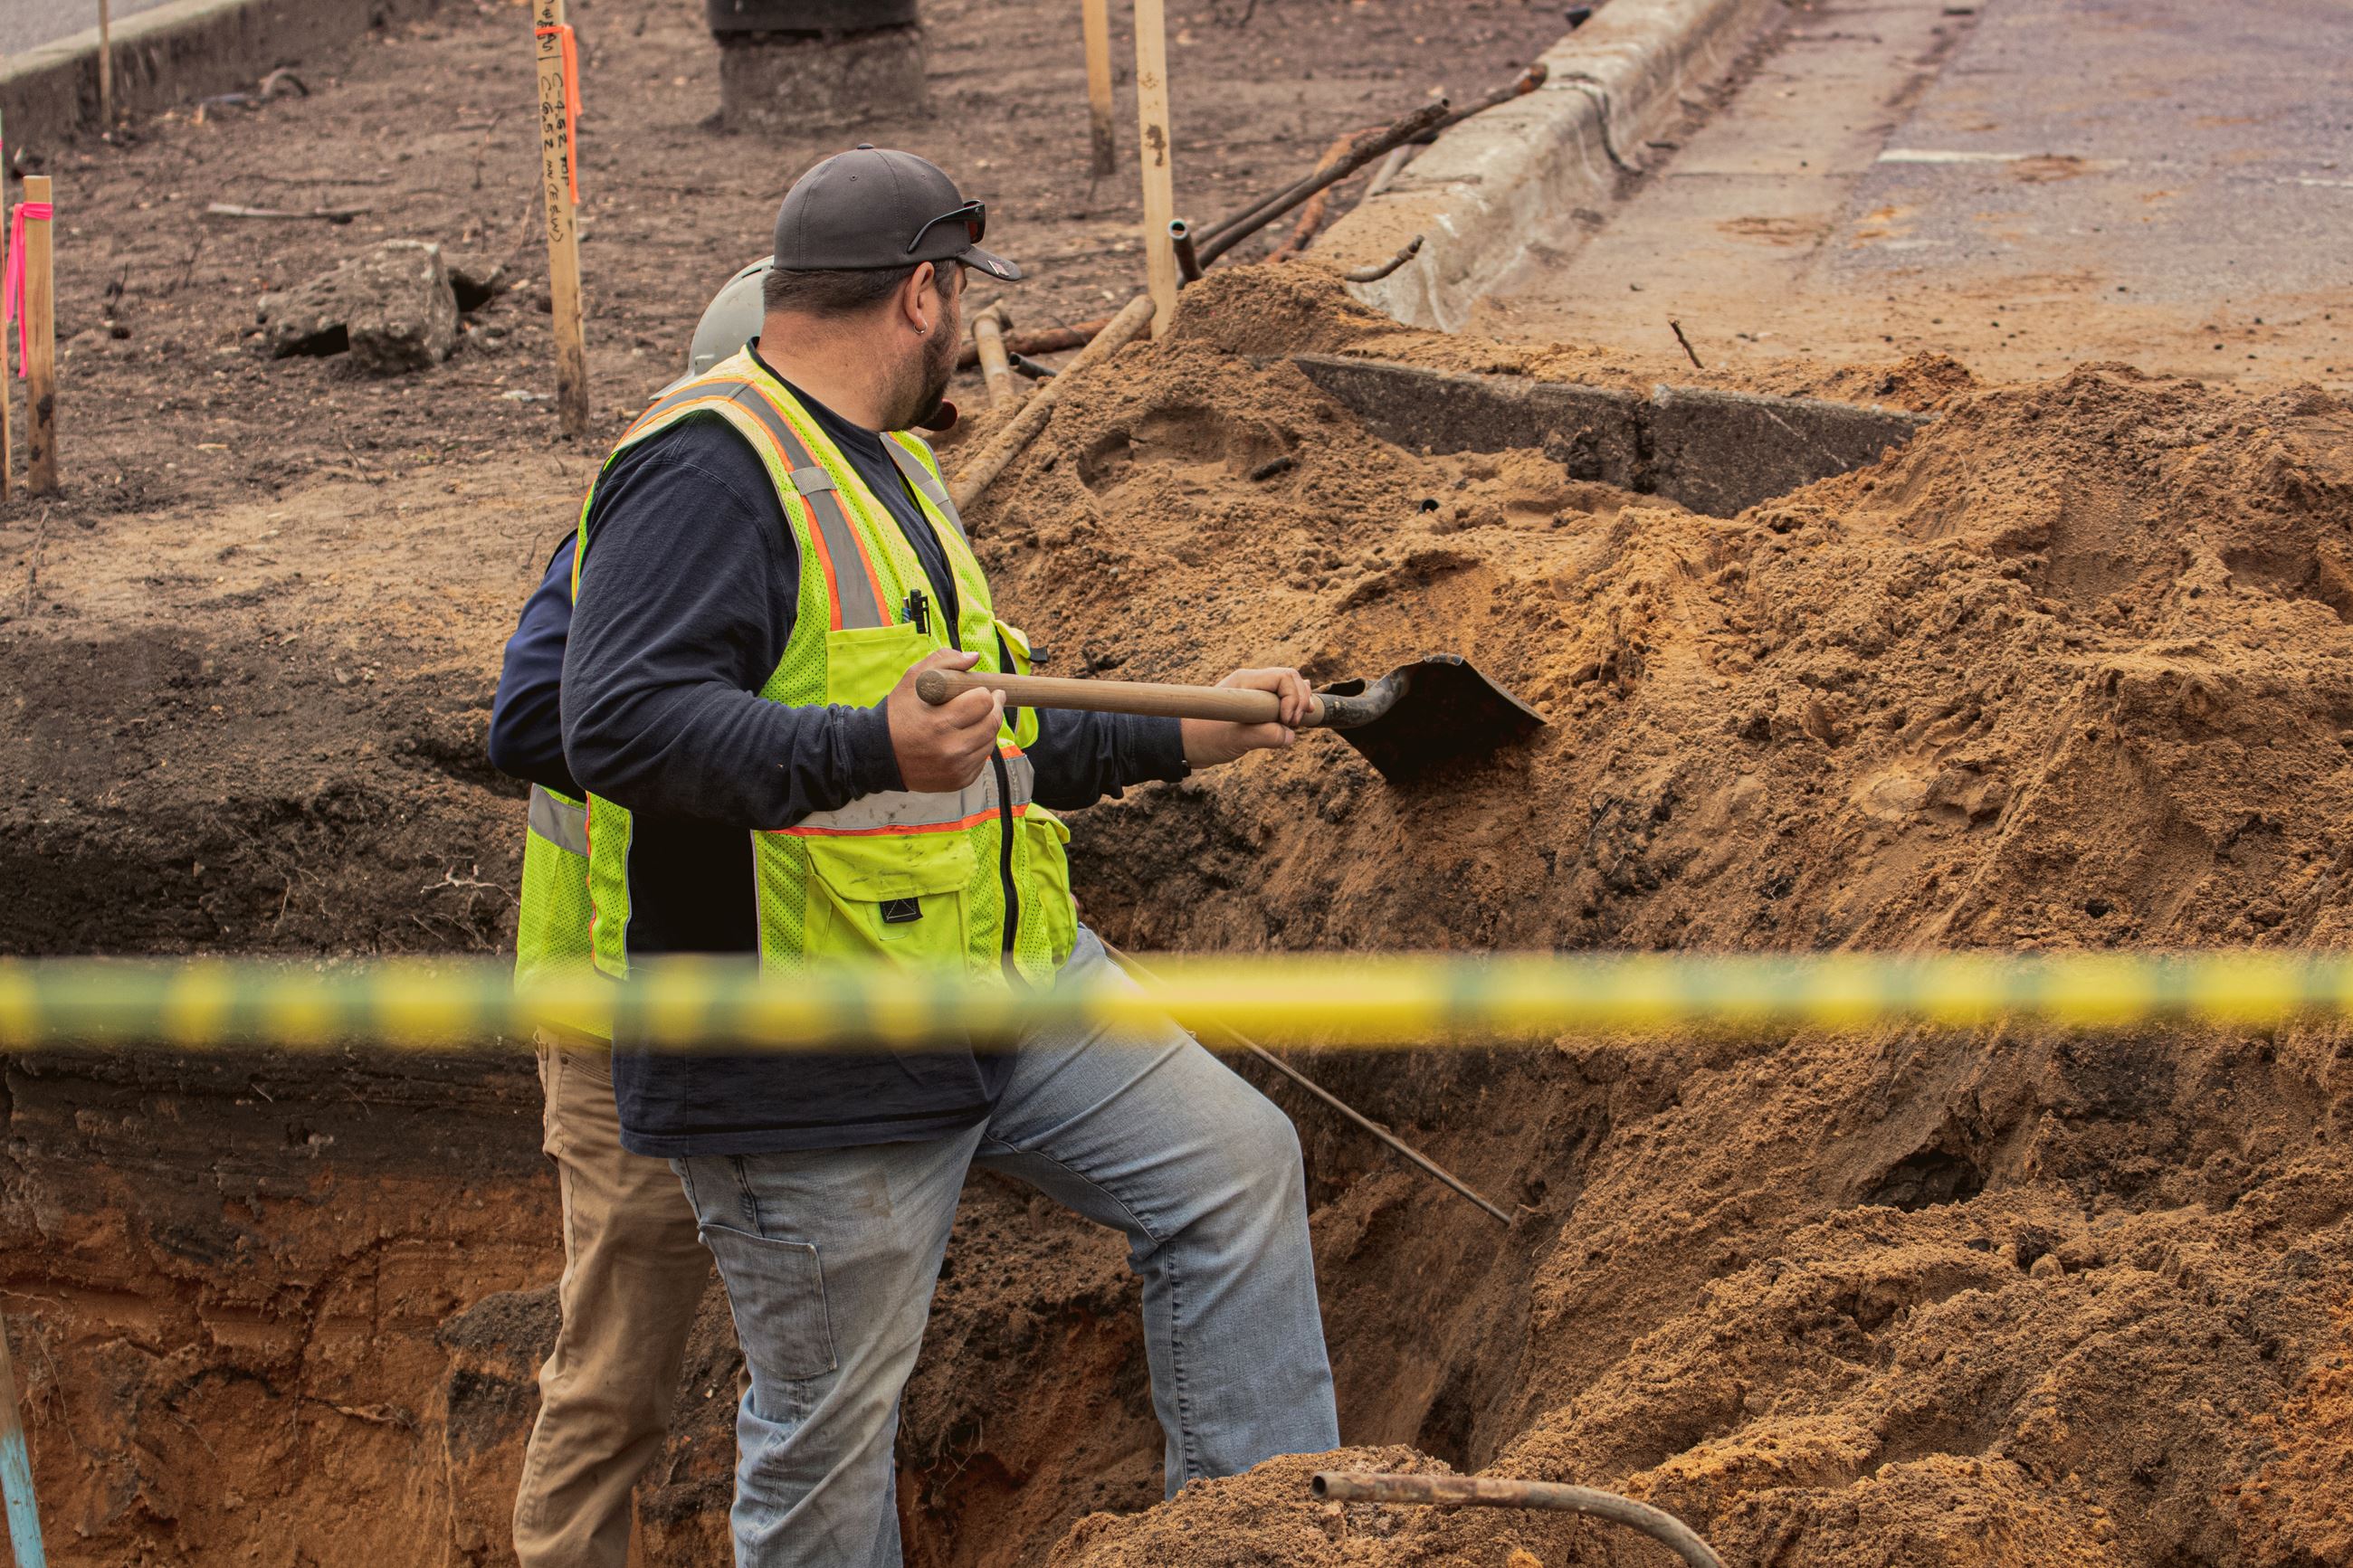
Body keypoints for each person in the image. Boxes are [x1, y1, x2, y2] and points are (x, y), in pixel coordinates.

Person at [548, 146, 1339, 1566]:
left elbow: (983, 733)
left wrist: (1195, 731)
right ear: (920, 291)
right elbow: (612, 723)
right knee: (828, 1437)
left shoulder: (892, 468)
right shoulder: (707, 467)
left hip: (998, 985)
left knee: (1233, 1173)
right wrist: (864, 747)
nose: (969, 327)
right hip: (810, 1054)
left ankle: (1257, 1541)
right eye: (965, 296)